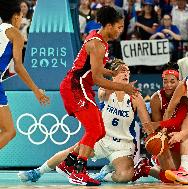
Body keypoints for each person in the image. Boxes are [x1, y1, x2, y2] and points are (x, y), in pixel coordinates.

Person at [30, 6, 135, 186]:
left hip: (80, 87)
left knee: (100, 131)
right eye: (118, 27)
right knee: (94, 130)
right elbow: (96, 78)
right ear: (109, 25)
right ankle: (78, 172)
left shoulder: (99, 38)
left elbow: (94, 69)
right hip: (75, 87)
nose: (120, 30)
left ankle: (67, 164)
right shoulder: (98, 44)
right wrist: (123, 87)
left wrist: (111, 71)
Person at [18, 60, 149, 183]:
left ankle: (103, 175)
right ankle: (38, 172)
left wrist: (152, 135)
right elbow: (103, 91)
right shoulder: (106, 91)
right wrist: (118, 85)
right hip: (101, 140)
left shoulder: (135, 97)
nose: (126, 73)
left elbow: (146, 123)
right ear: (113, 74)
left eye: (127, 71)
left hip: (123, 145)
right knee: (71, 151)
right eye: (121, 71)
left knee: (125, 176)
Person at [0, 0, 49, 149]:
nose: (21, 19)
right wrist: (36, 90)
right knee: (9, 131)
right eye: (21, 16)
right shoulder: (16, 34)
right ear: (16, 16)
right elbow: (19, 66)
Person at [133, 68, 188, 184]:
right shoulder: (156, 98)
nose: (168, 85)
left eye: (172, 81)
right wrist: (158, 130)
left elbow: (178, 120)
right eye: (165, 81)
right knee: (171, 179)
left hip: (178, 136)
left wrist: (157, 124)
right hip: (163, 138)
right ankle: (149, 164)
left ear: (179, 82)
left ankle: (145, 168)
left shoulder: (184, 97)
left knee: (175, 176)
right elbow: (157, 128)